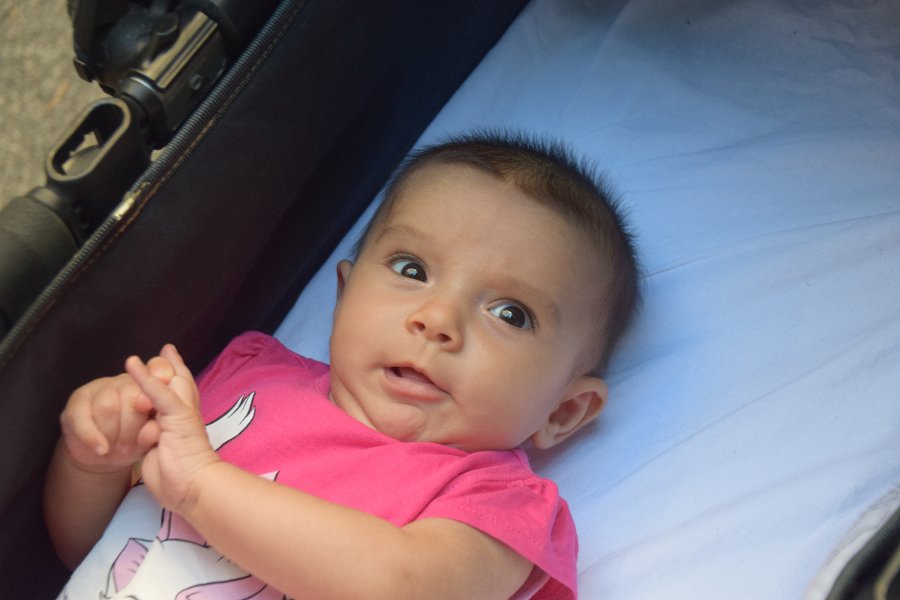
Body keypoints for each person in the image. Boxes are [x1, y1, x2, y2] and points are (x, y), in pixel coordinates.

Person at [44, 132, 641, 599]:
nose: (437, 320)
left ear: (564, 411)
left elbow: (400, 587)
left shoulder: (499, 503)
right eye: (412, 270)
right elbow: (94, 551)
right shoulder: (251, 375)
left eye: (510, 313)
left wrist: (201, 485)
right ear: (344, 294)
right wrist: (94, 463)